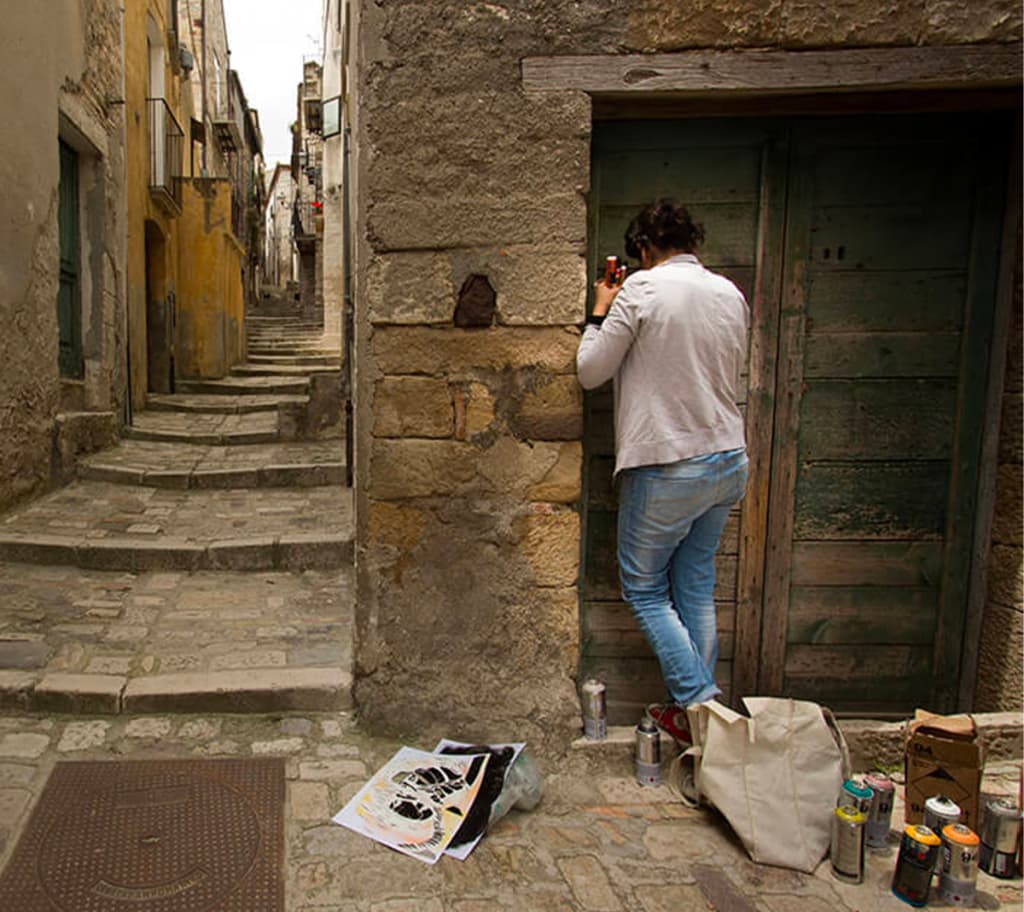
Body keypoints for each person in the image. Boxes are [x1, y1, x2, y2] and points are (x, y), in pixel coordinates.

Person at [576, 198, 749, 743]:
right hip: (728, 457)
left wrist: (600, 310)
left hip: (668, 463)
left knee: (646, 590)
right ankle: (700, 717)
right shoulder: (729, 293)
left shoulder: (642, 290)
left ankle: (700, 705)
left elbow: (590, 371)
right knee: (695, 584)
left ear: (645, 249)